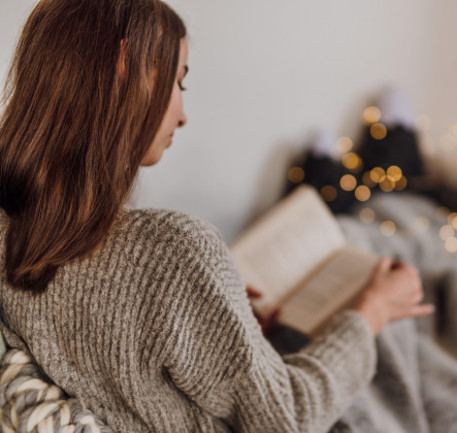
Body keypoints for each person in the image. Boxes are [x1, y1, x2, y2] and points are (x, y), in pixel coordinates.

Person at [0, 1, 433, 432]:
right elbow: (289, 420)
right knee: (385, 242)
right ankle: (392, 164)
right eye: (178, 82)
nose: (183, 115)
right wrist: (372, 312)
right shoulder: (172, 250)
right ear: (125, 65)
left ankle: (352, 173)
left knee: (358, 225)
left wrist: (217, 324)